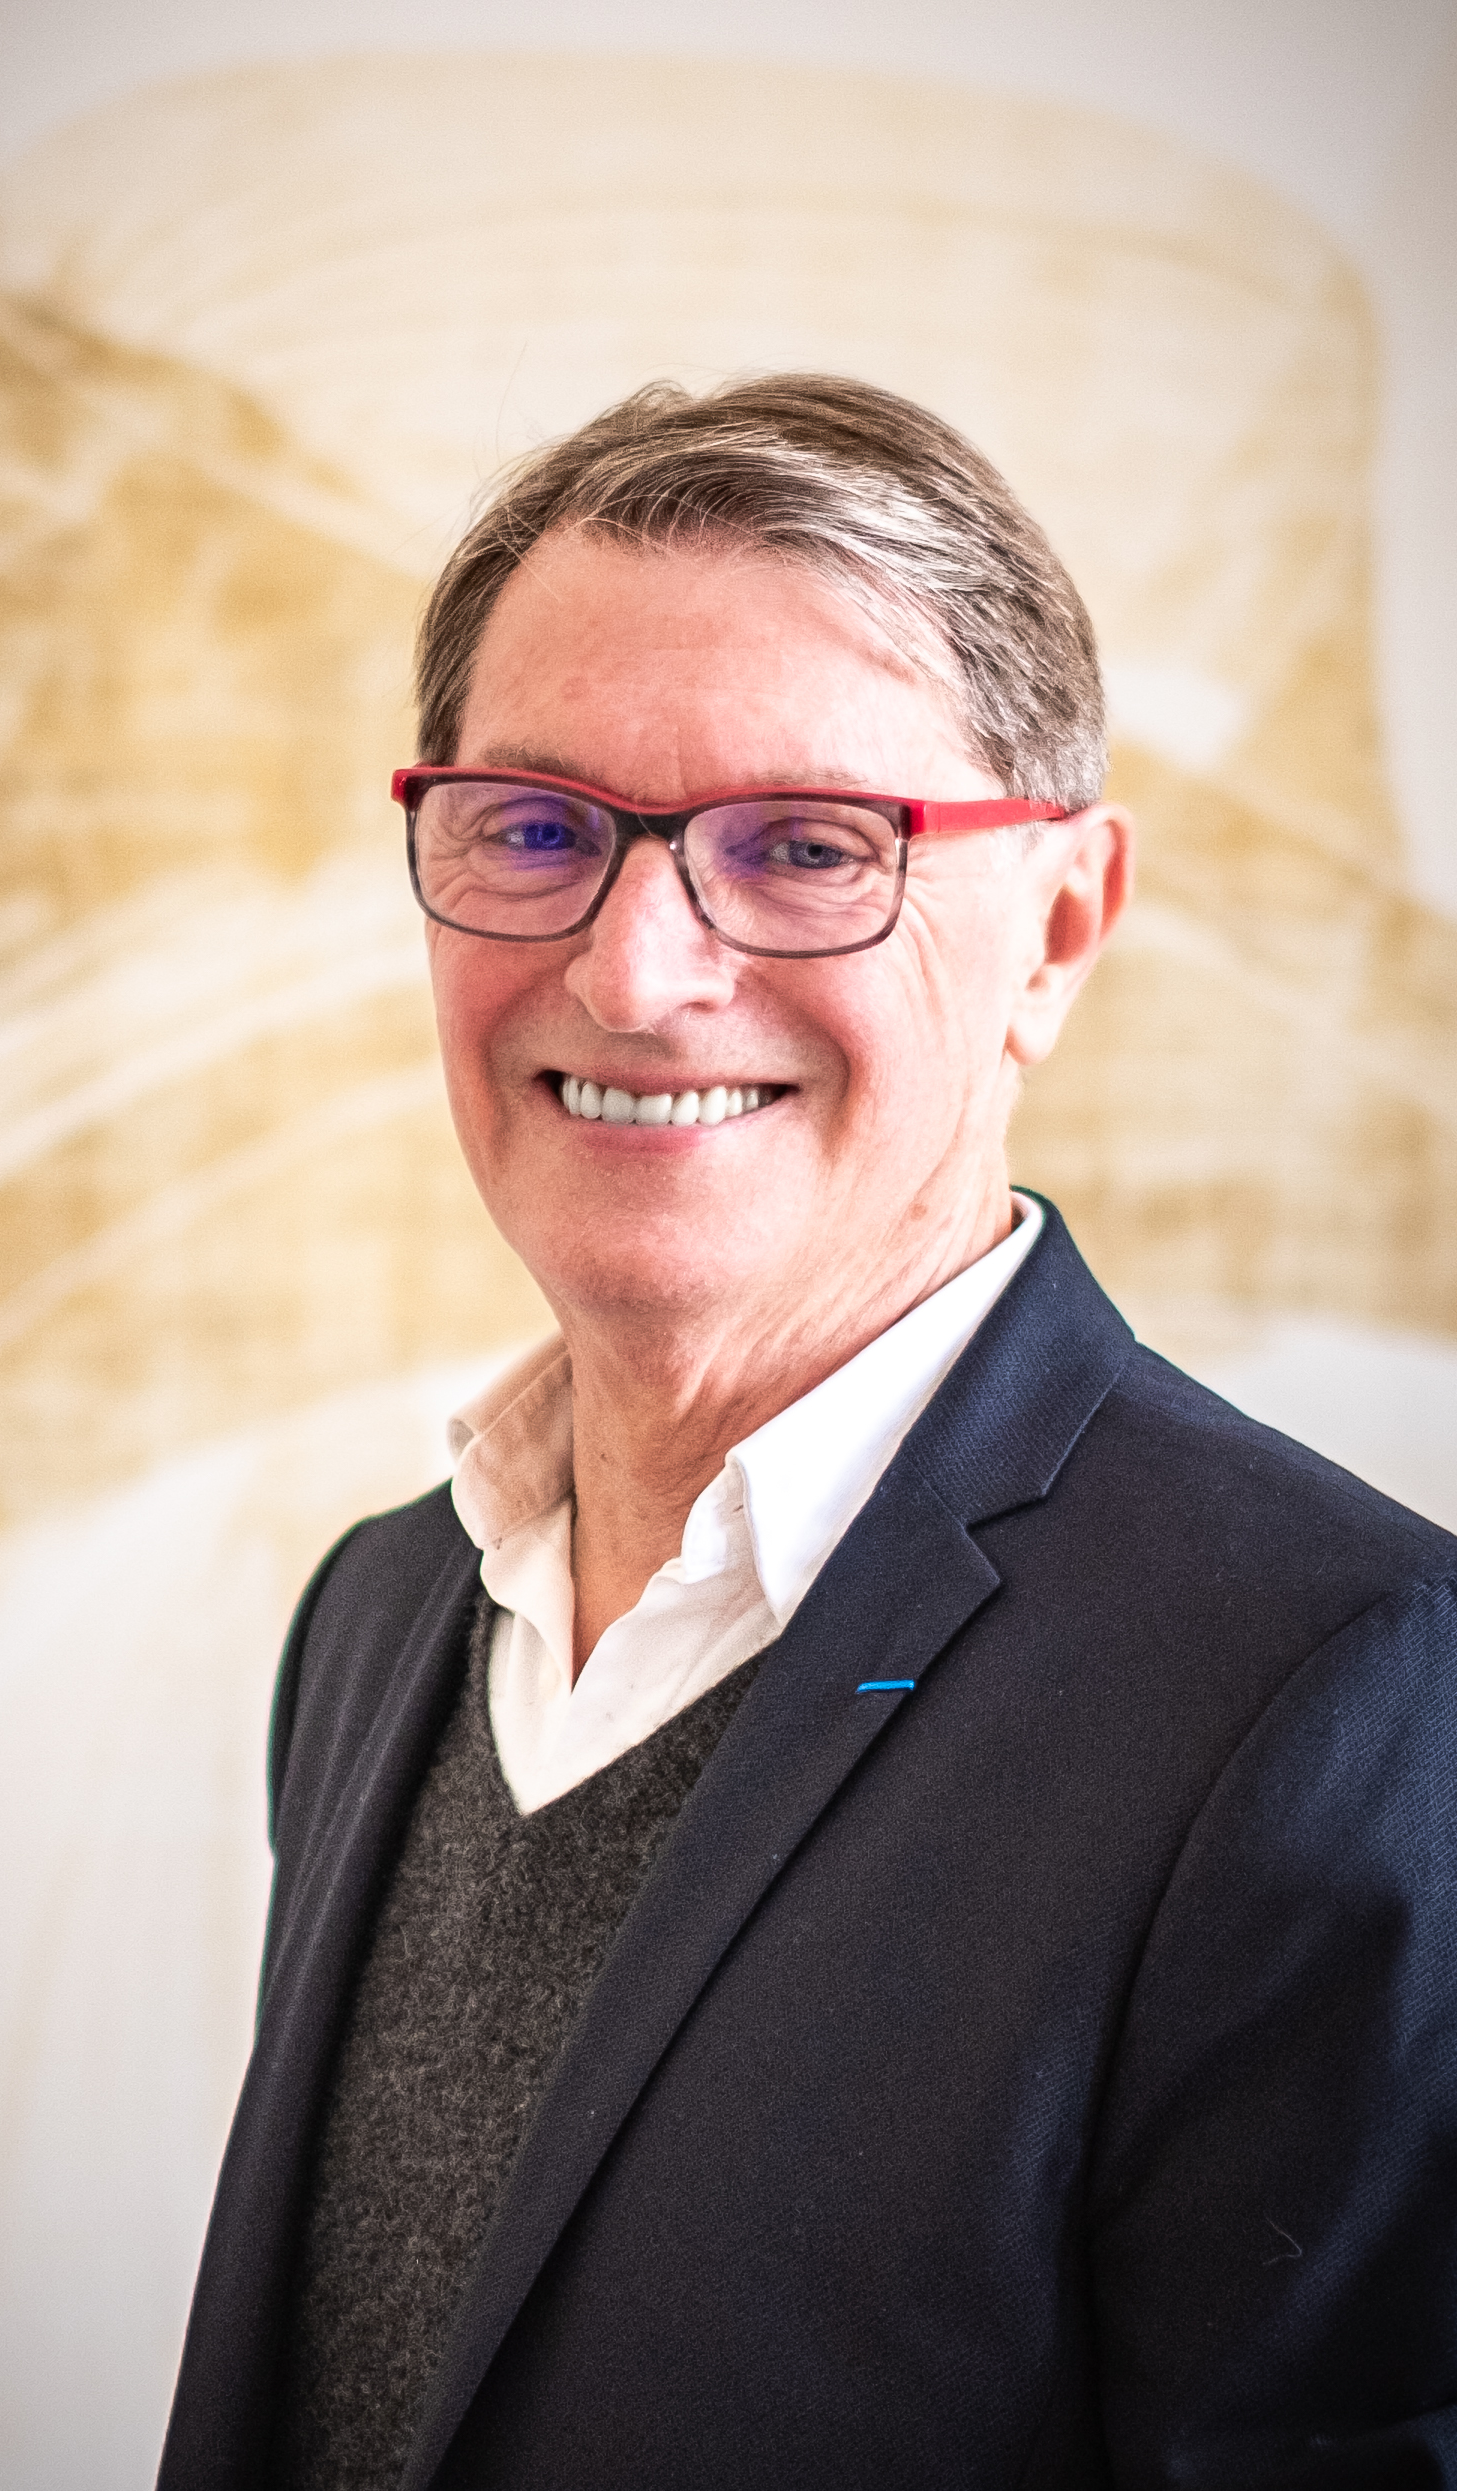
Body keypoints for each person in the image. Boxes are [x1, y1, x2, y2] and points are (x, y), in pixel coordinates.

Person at [159, 376, 1457, 2491]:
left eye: (806, 848)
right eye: (534, 827)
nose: (637, 974)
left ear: (1056, 929)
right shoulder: (377, 1617)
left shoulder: (1343, 1703)